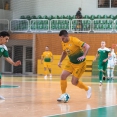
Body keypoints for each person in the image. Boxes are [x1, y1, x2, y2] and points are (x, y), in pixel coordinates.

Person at [57, 30, 91, 102]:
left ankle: (87, 89)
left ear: (67, 36)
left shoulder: (74, 40)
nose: (62, 40)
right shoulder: (63, 42)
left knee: (74, 82)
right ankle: (63, 94)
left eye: (63, 38)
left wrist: (84, 56)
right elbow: (64, 52)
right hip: (71, 63)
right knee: (63, 76)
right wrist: (60, 61)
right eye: (61, 38)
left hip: (80, 64)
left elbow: (87, 46)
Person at [0, 31, 21, 99]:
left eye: (8, 39)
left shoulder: (4, 47)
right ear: (1, 37)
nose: (7, 41)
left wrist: (14, 63)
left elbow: (7, 57)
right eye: (6, 39)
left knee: (0, 81)